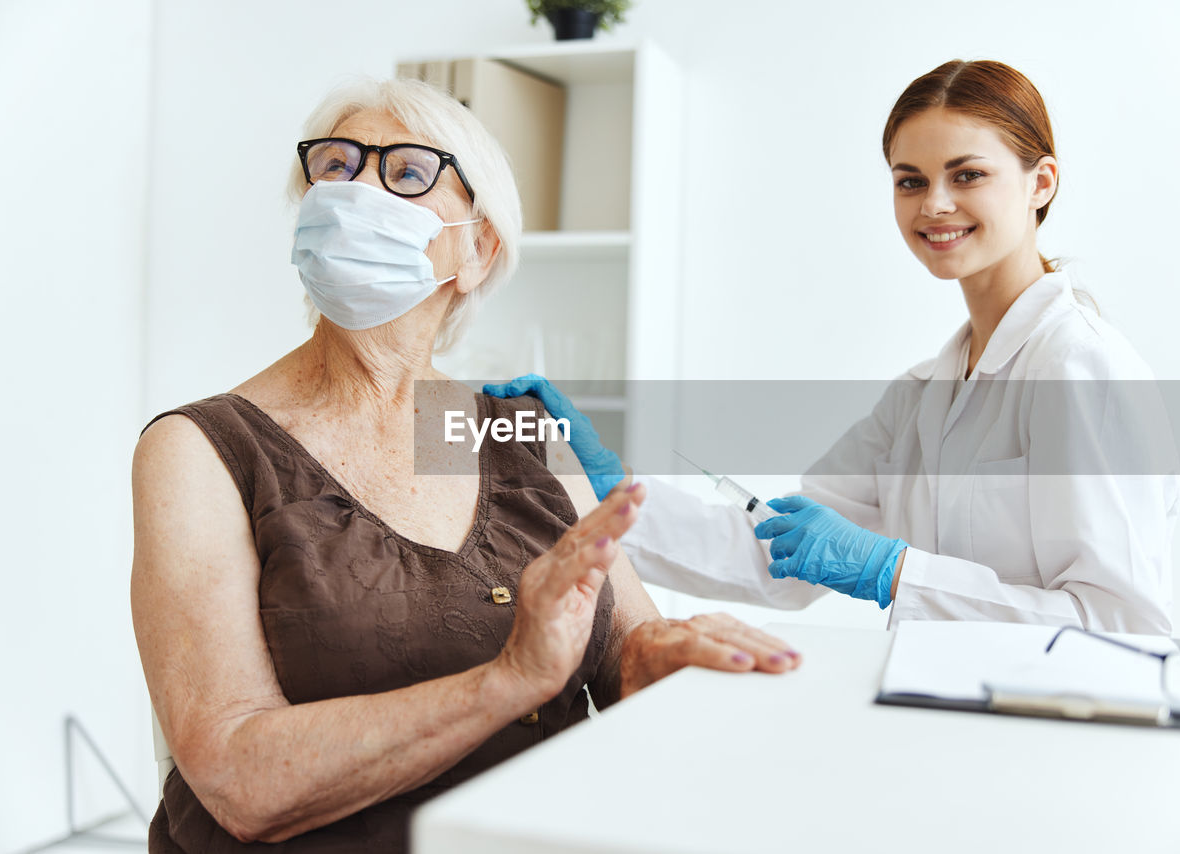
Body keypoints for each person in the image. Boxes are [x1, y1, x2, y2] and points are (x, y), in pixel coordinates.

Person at [130, 77, 800, 853]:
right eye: (336, 167)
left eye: (407, 174)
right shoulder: (201, 448)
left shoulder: (509, 428)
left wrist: (665, 653)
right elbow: (239, 782)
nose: (356, 194)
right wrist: (506, 680)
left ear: (479, 249)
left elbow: (624, 647)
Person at [488, 60, 1180, 634]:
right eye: (910, 180)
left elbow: (1120, 625)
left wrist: (895, 572)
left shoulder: (1078, 367)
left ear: (1042, 183)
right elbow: (772, 556)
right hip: (934, 722)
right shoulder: (922, 395)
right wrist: (605, 491)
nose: (934, 203)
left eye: (967, 175)